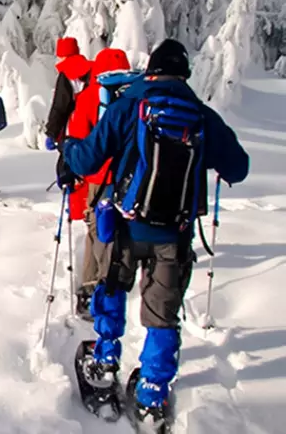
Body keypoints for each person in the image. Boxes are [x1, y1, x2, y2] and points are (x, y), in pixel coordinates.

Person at [62, 39, 249, 424]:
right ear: (184, 75)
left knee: (112, 289)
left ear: (151, 70)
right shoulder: (200, 114)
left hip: (126, 226)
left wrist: (68, 153)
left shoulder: (128, 104)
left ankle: (105, 362)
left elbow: (89, 156)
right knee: (162, 316)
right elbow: (239, 168)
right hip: (174, 234)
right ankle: (151, 395)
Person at [66, 48, 133, 318]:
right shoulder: (134, 98)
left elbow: (79, 135)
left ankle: (91, 288)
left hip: (98, 177)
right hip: (128, 177)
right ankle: (112, 283)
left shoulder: (89, 96)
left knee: (97, 230)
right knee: (121, 233)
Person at [45, 37, 92, 148]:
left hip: (75, 128)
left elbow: (60, 106)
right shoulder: (90, 68)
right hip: (93, 125)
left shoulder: (67, 73)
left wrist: (52, 132)